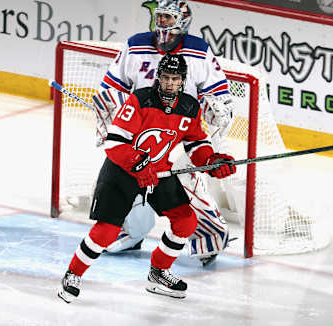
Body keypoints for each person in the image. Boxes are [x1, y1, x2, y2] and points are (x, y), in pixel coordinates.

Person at [58, 53, 236, 303]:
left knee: (185, 221)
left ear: (183, 80)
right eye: (165, 77)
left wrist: (210, 161)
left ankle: (159, 273)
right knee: (107, 232)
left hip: (158, 172)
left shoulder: (188, 107)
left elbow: (196, 141)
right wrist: (138, 163)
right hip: (122, 171)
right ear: (158, 78)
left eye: (175, 79)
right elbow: (115, 143)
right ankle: (72, 274)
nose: (170, 83)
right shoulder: (140, 100)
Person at [93, 0, 235, 266]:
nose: (163, 25)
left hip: (185, 130)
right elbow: (111, 87)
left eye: (169, 19)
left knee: (190, 186)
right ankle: (132, 232)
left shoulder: (199, 52)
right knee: (128, 180)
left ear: (182, 21)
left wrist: (214, 110)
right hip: (143, 129)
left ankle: (209, 240)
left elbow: (221, 99)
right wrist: (108, 109)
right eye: (160, 18)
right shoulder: (136, 46)